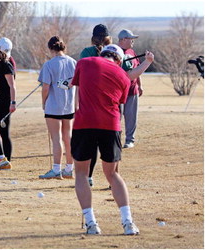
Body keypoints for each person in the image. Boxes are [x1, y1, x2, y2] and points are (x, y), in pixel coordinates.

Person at [71, 44, 143, 235]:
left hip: (84, 123)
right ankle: (128, 222)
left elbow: (76, 88)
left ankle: (91, 223)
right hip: (110, 125)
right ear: (119, 60)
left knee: (81, 173)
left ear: (102, 53)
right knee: (112, 174)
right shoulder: (123, 76)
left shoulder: (84, 62)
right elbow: (118, 102)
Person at [38, 36, 76, 179]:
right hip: (69, 106)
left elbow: (45, 88)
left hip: (53, 107)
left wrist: (43, 102)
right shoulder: (73, 62)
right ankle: (69, 169)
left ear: (50, 49)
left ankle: (56, 169)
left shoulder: (48, 65)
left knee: (56, 138)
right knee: (68, 137)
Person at [78, 24, 112, 187]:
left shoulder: (86, 53)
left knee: (90, 142)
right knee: (109, 143)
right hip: (109, 104)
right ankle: (113, 179)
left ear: (93, 37)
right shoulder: (114, 53)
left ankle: (89, 176)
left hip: (90, 103)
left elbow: (80, 79)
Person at [118, 29, 142, 149]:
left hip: (132, 90)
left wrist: (140, 85)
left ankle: (130, 140)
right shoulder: (115, 52)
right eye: (130, 38)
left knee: (131, 116)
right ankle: (116, 138)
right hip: (119, 91)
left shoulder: (132, 51)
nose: (132, 41)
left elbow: (137, 69)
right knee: (117, 117)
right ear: (122, 40)